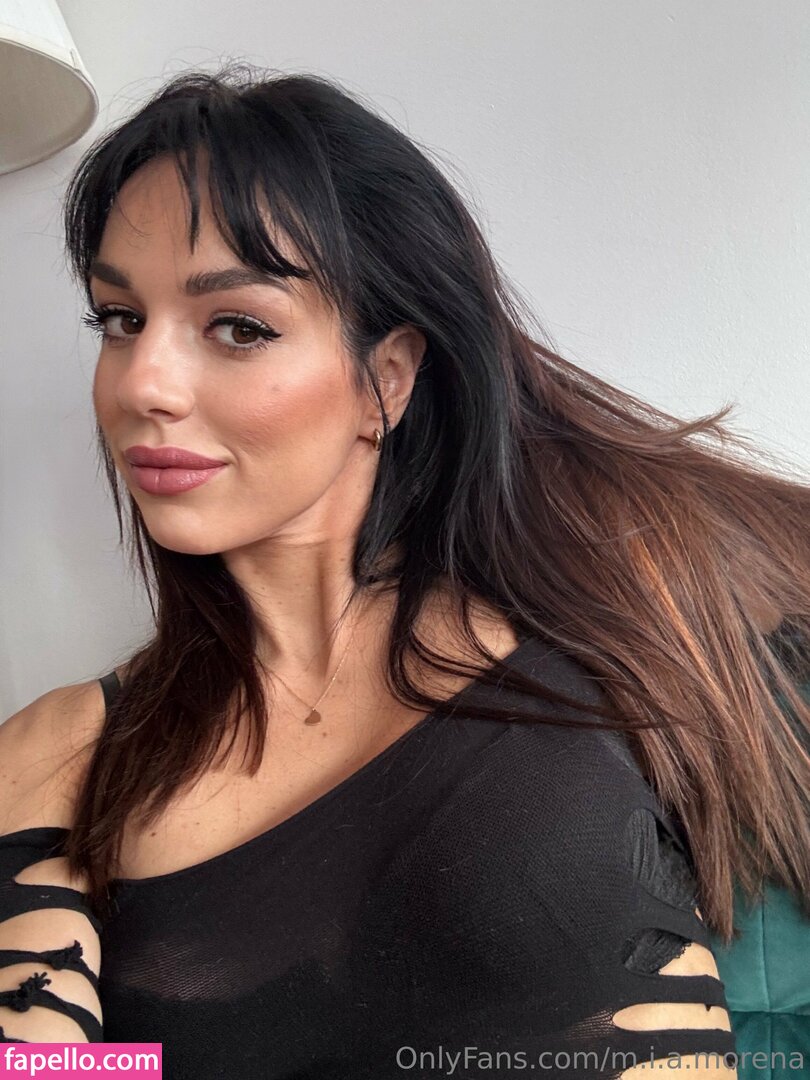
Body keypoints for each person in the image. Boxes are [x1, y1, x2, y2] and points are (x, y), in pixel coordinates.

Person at [1, 65, 808, 1079]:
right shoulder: (64, 752)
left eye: (238, 327)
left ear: (386, 379)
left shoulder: (625, 601)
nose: (142, 383)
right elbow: (48, 1062)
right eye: (120, 319)